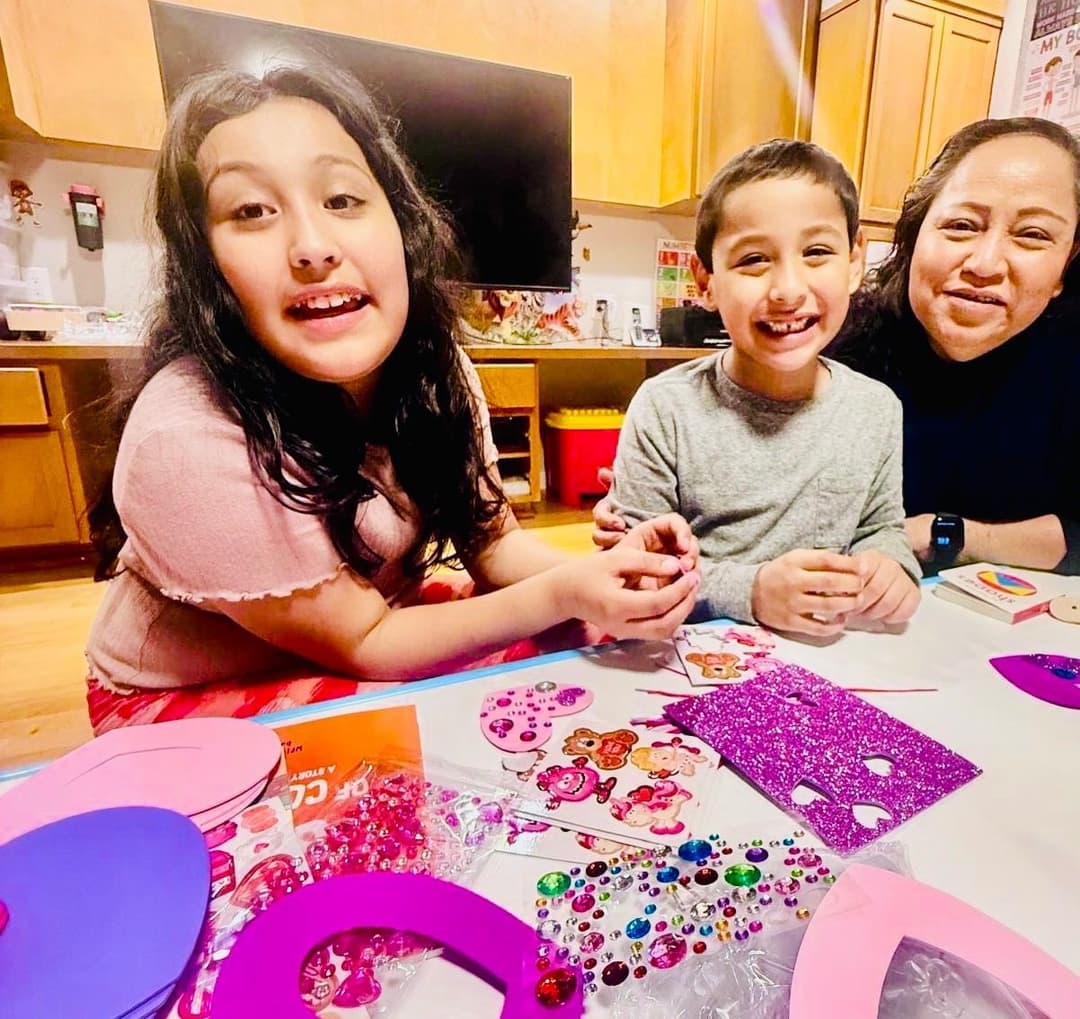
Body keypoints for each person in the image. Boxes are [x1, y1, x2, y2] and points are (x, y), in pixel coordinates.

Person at [84, 63, 700, 733]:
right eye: (252, 211)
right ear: (207, 269)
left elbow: (494, 548)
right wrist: (564, 591)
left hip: (373, 622)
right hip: (192, 696)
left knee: (585, 638)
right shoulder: (184, 439)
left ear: (402, 224)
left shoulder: (436, 369)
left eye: (343, 199)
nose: (313, 247)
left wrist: (609, 572)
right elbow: (369, 643)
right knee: (474, 723)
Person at [597, 140, 920, 639]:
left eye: (817, 252)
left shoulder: (876, 409)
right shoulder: (666, 408)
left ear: (855, 262)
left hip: (831, 661)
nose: (788, 290)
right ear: (705, 281)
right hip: (690, 661)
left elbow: (882, 529)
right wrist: (751, 591)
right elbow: (634, 573)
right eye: (752, 259)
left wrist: (890, 568)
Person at [826, 117, 1080, 576]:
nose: (984, 264)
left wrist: (953, 536)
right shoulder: (833, 346)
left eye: (1033, 235)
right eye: (962, 225)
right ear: (916, 232)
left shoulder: (1070, 358)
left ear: (1067, 264)